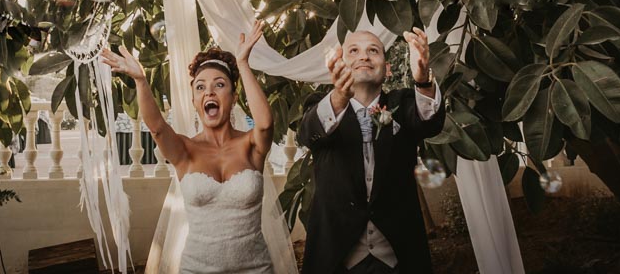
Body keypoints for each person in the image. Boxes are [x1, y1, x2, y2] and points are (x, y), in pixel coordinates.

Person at [101, 21, 274, 274]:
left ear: (234, 96)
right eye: (200, 87)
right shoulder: (185, 150)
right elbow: (158, 127)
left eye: (220, 84)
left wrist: (243, 64)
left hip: (256, 269)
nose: (209, 92)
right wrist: (140, 80)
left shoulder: (250, 145)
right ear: (194, 100)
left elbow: (266, 124)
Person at [297, 28, 445, 274]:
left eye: (373, 51)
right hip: (335, 258)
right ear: (341, 65)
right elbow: (307, 133)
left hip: (399, 257)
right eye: (353, 51)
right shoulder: (320, 106)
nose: (364, 57)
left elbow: (428, 121)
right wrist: (338, 98)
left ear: (387, 68)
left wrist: (423, 80)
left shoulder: (403, 102)